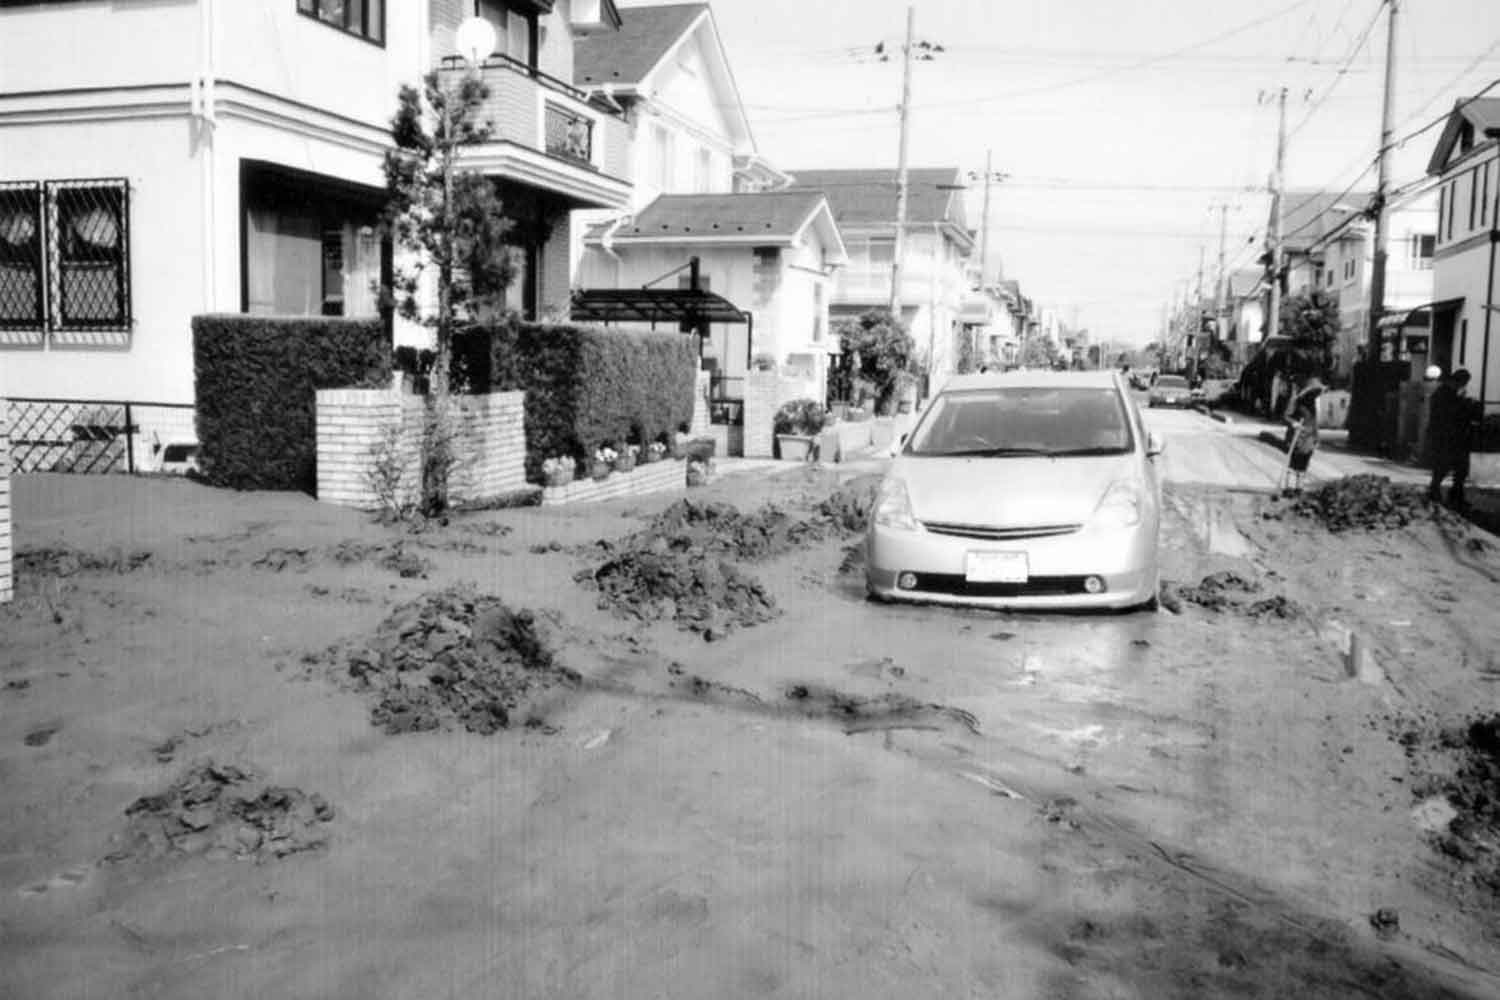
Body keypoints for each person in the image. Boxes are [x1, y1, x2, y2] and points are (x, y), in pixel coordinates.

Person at [1428, 368, 1480, 510]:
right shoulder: (1444, 394)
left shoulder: (1446, 393)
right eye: (1464, 383)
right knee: (1445, 466)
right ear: (1458, 381)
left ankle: (1452, 494)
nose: (1464, 386)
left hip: (1454, 437)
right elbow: (1450, 414)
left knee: (1459, 468)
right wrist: (1465, 404)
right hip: (1446, 437)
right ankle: (1437, 492)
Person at [1283, 376, 1323, 494]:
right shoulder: (1295, 402)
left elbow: (1315, 423)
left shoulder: (1314, 407)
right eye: (1313, 392)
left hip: (1309, 437)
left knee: (1304, 462)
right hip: (1297, 436)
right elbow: (1286, 416)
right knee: (1294, 462)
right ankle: (1288, 486)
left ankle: (1298, 487)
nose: (1314, 395)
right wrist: (1294, 423)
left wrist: (1317, 438)